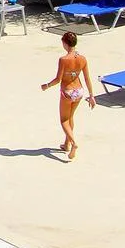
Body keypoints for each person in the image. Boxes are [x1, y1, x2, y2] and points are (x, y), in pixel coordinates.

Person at [40, 30, 96, 162]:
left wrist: (47, 85)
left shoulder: (63, 60)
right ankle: (67, 144)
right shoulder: (82, 59)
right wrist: (91, 95)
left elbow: (58, 79)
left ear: (65, 43)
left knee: (64, 120)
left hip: (67, 92)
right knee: (70, 117)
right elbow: (87, 78)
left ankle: (73, 142)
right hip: (79, 91)